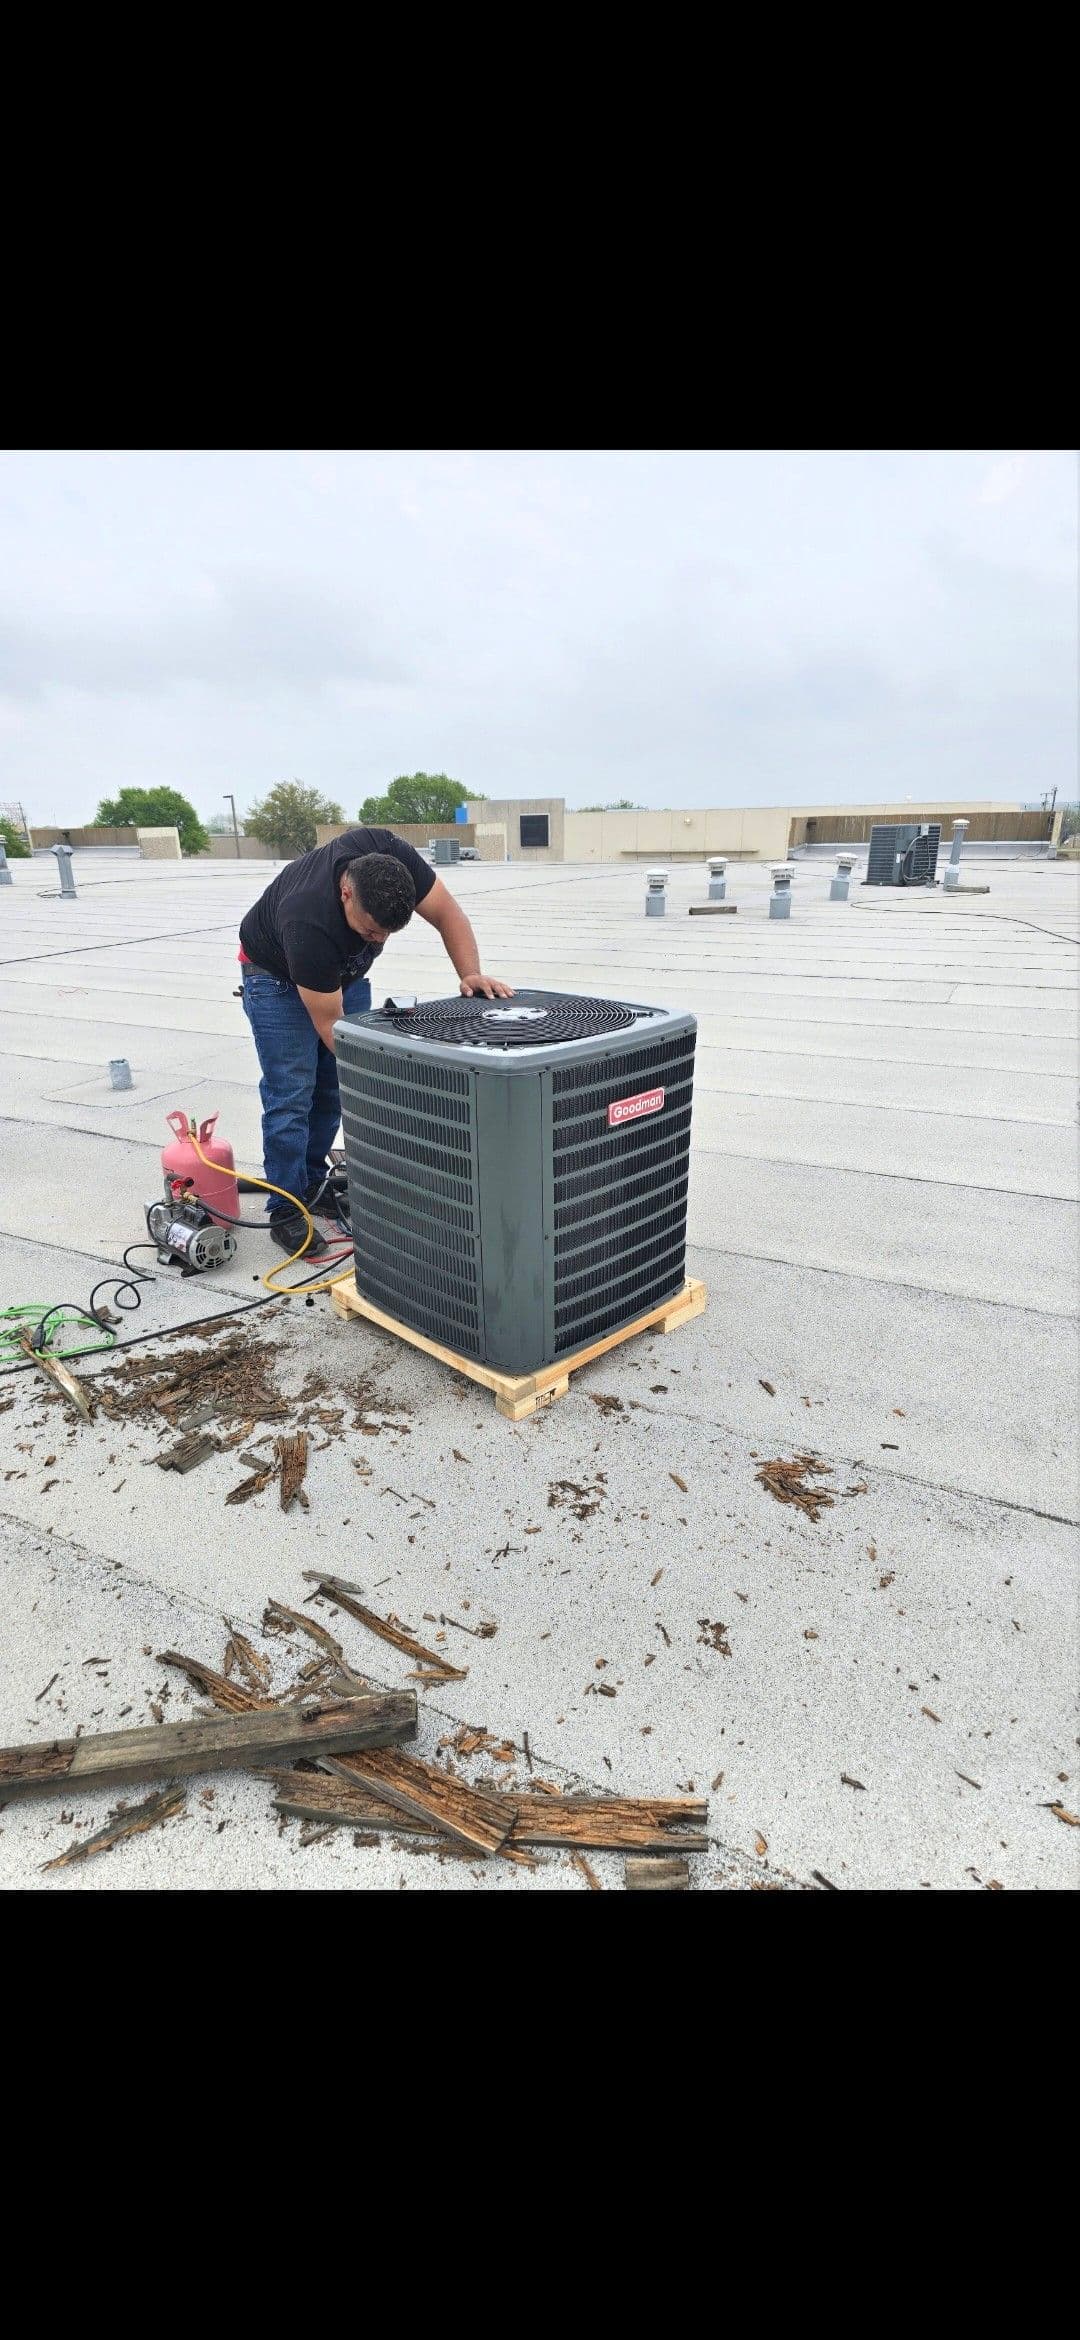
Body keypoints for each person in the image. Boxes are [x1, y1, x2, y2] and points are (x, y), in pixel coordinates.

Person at [238, 825, 512, 1255]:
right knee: (292, 1092)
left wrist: (469, 974)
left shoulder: (388, 855)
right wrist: (389, 1077)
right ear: (347, 893)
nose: (380, 940)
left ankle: (310, 1183)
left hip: (342, 973)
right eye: (371, 931)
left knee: (333, 1090)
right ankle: (286, 1207)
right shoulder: (307, 918)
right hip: (277, 979)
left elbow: (448, 914)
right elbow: (332, 1028)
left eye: (388, 932)